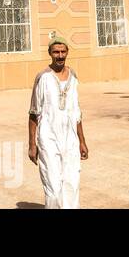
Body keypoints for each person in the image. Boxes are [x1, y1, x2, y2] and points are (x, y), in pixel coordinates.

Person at [28, 38, 88, 209]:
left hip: (70, 138)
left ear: (67, 52)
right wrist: (32, 144)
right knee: (53, 185)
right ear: (50, 54)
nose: (60, 56)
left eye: (63, 52)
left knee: (72, 183)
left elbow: (76, 112)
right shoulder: (43, 77)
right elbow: (33, 113)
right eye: (56, 52)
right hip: (48, 137)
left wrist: (82, 141)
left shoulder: (73, 76)